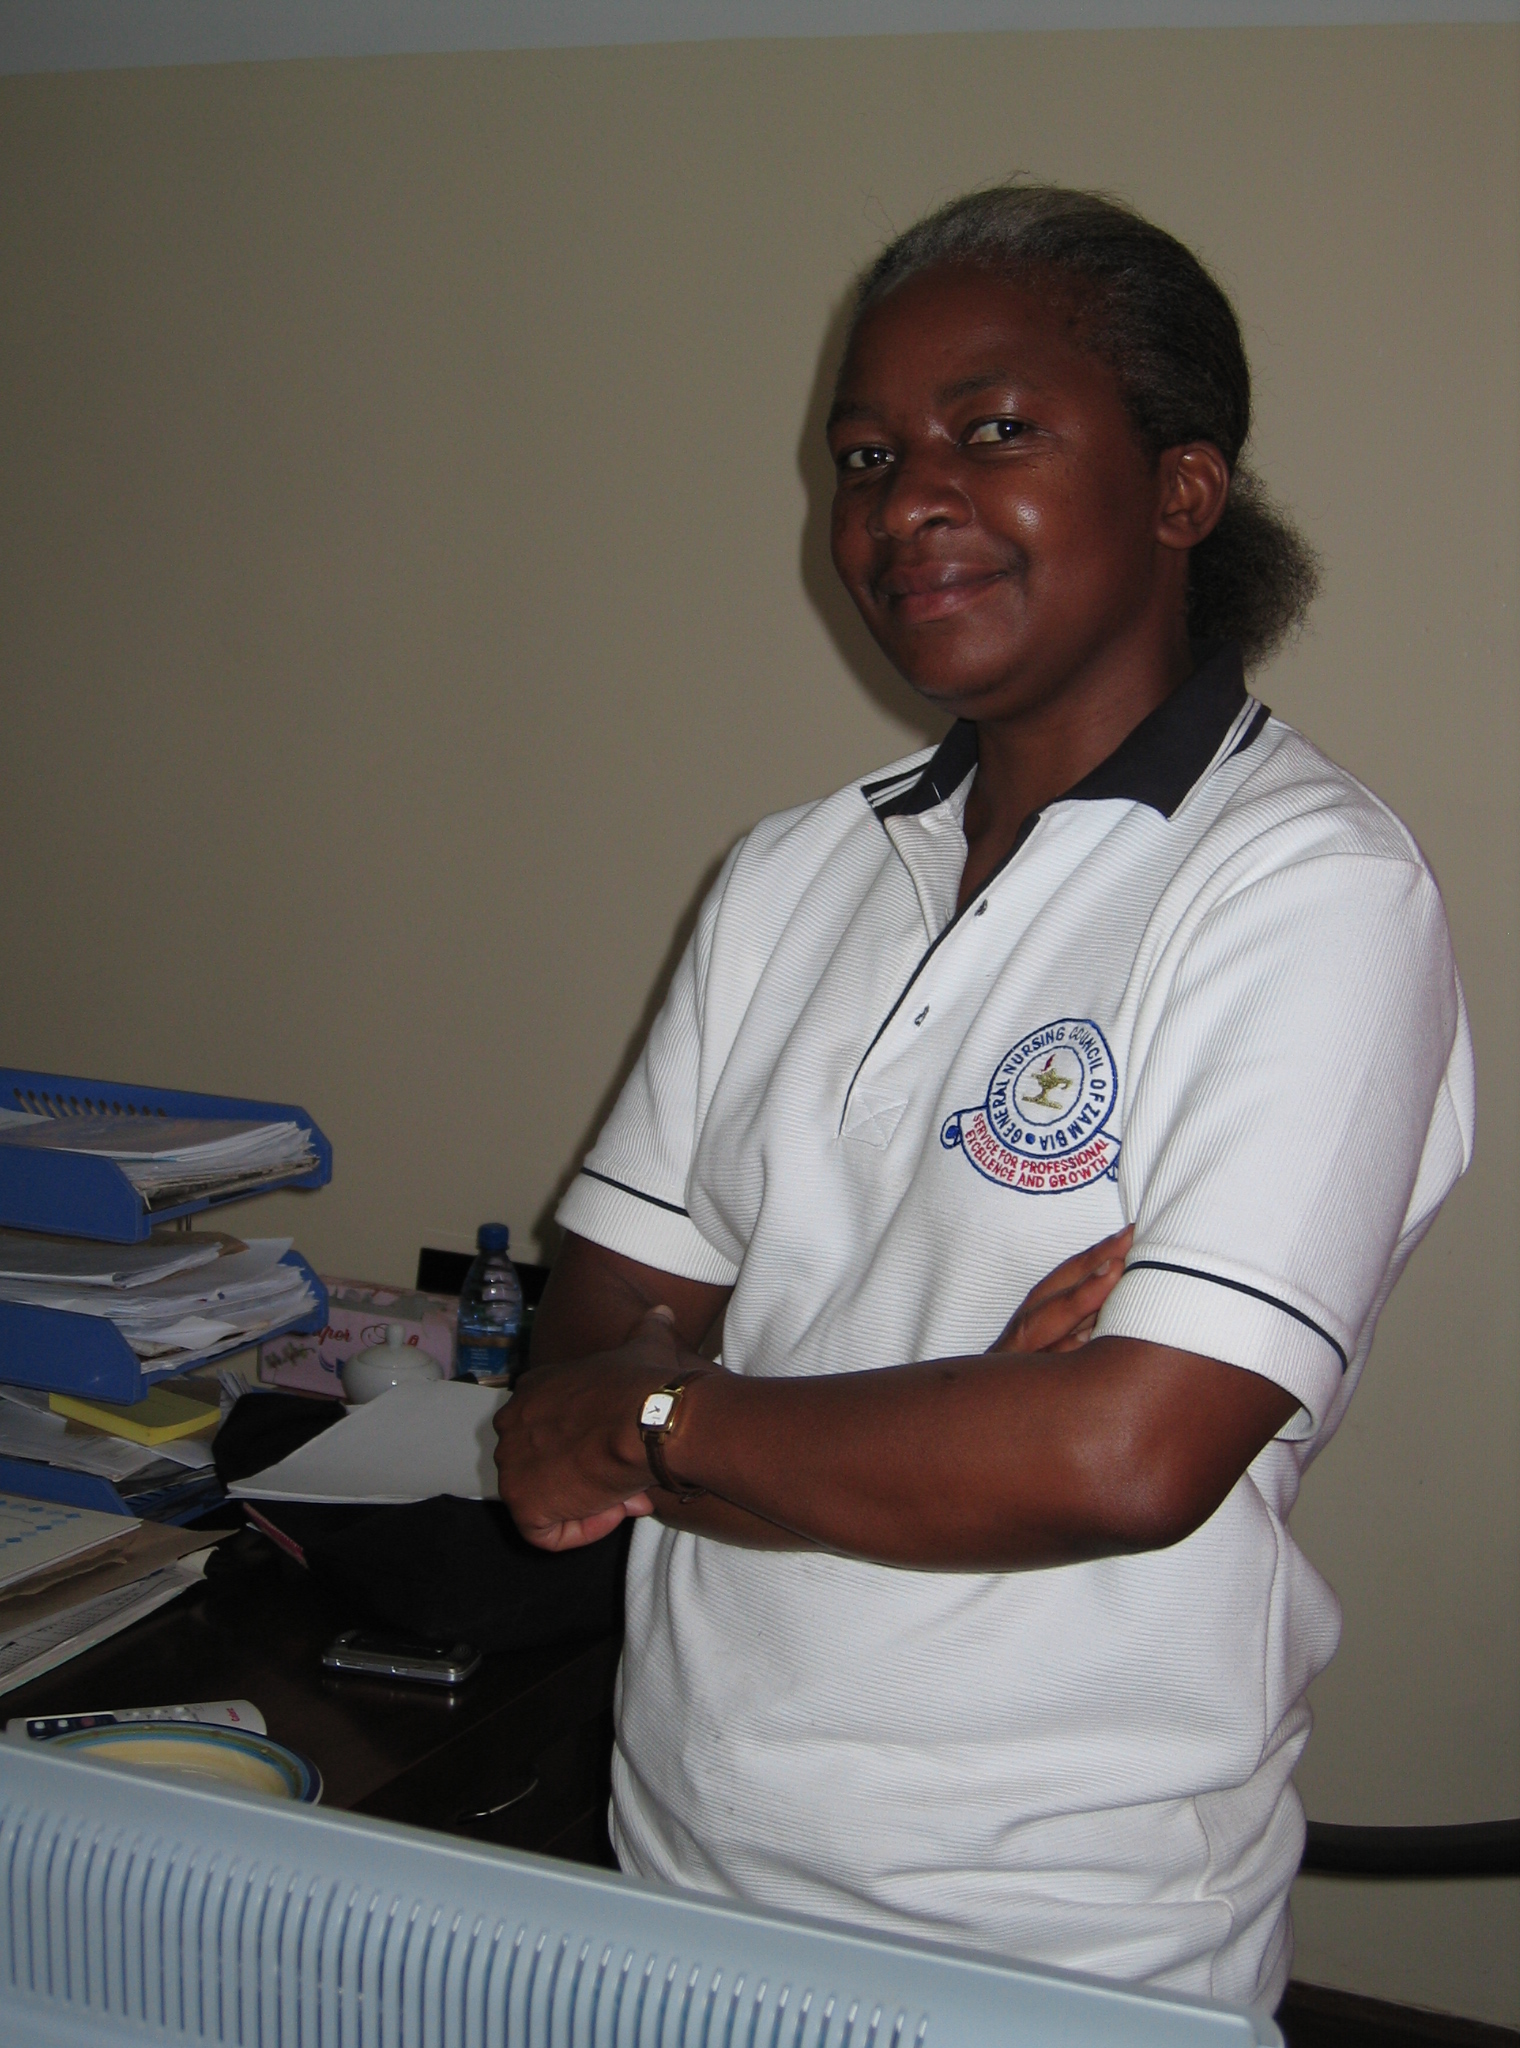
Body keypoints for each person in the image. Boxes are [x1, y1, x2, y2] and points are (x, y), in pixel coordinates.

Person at [494, 186, 1474, 2010]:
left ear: (1183, 491)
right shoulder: (793, 873)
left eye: (994, 431)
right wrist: (943, 1432)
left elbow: (1121, 1458)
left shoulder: (1309, 888)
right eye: (865, 454)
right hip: (678, 1874)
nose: (902, 500)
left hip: (1057, 1944)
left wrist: (666, 1424)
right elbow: (596, 1331)